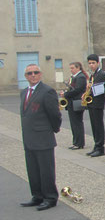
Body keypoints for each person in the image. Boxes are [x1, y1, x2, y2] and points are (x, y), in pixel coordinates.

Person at [19, 64, 62, 211]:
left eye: (35, 72)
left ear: (40, 74)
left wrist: (54, 129)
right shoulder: (24, 92)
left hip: (43, 137)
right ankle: (37, 196)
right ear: (26, 76)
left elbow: (55, 114)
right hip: (29, 137)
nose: (33, 75)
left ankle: (50, 197)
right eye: (29, 73)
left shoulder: (47, 91)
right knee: (33, 169)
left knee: (46, 170)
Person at [85, 54, 105, 157]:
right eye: (90, 63)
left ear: (98, 63)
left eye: (93, 63)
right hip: (91, 103)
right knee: (94, 126)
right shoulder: (93, 75)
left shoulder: (102, 74)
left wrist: (91, 89)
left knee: (98, 126)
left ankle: (100, 147)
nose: (91, 65)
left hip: (98, 103)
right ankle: (96, 145)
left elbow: (101, 90)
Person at [61, 61, 87, 150]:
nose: (71, 70)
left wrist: (66, 94)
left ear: (78, 68)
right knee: (73, 123)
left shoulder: (81, 77)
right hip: (71, 102)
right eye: (70, 68)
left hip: (76, 102)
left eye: (72, 68)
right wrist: (65, 92)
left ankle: (79, 143)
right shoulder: (74, 77)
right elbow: (72, 89)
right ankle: (75, 141)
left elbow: (77, 90)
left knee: (77, 123)